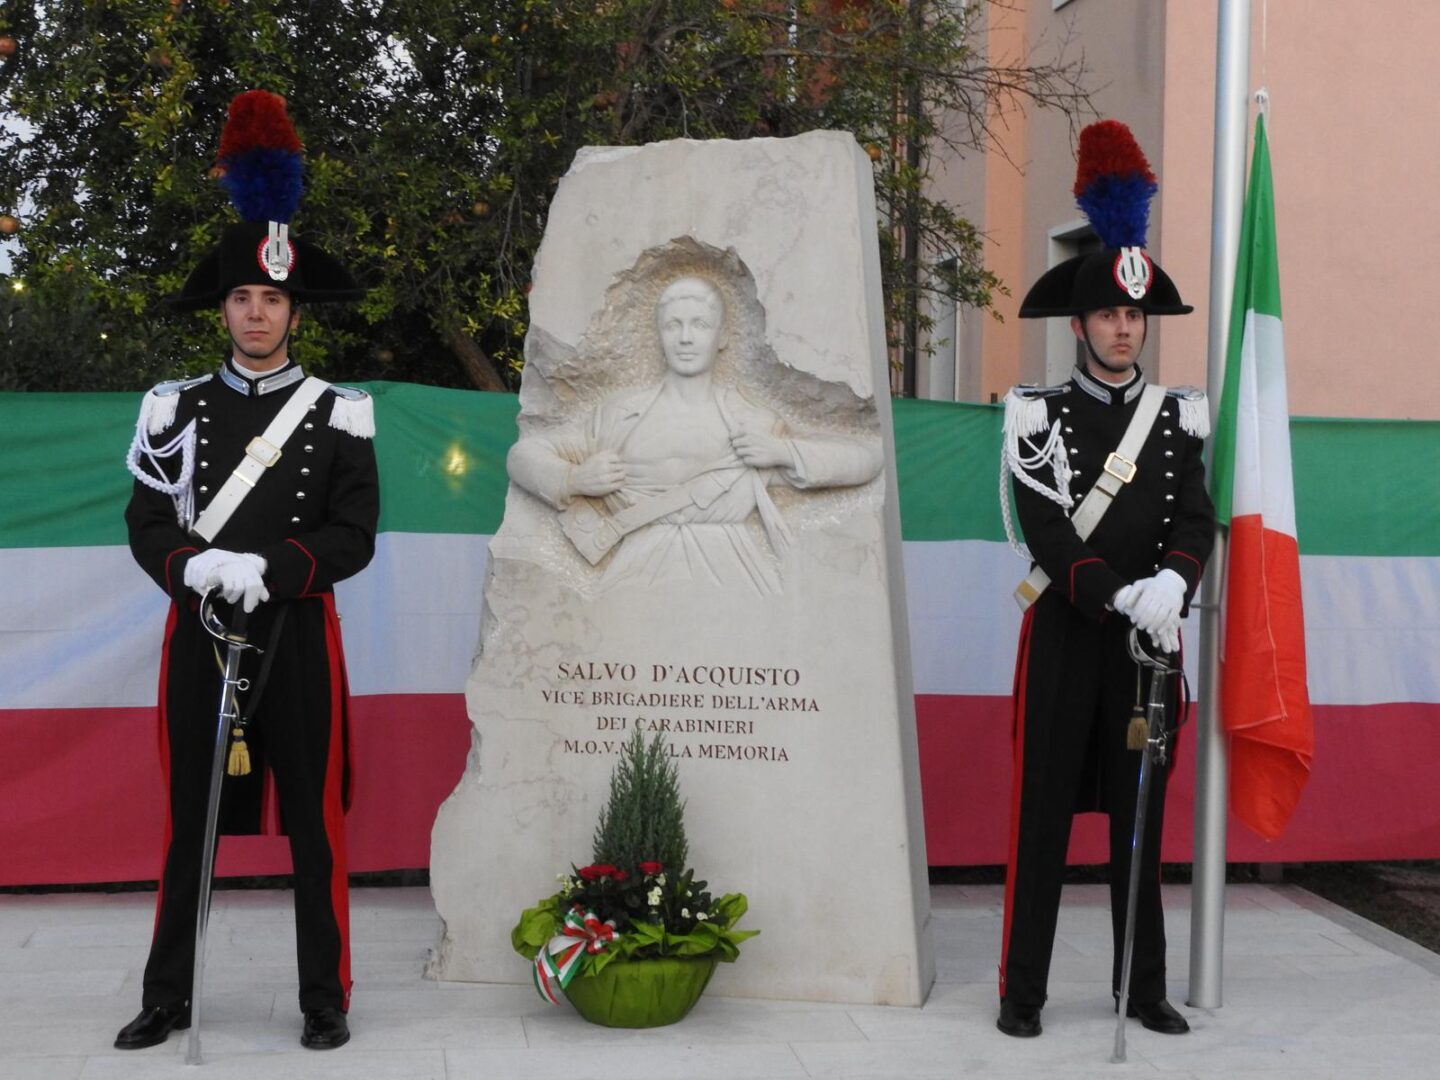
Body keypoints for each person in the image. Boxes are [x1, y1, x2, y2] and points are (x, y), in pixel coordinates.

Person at [114, 90, 377, 1053]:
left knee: (315, 820)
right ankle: (168, 996)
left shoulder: (338, 411)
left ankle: (325, 996)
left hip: (298, 632)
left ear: (292, 310)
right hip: (202, 635)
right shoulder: (170, 407)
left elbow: (355, 534)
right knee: (191, 821)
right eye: (242, 297)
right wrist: (196, 568)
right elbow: (146, 521)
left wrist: (273, 566)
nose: (256, 312)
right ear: (222, 307)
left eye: (272, 299)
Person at [995, 120, 1214, 1039]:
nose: (1125, 330)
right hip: (1068, 634)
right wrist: (1115, 590)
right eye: (1110, 316)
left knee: (1140, 820)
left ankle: (1144, 986)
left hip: (1147, 651)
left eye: (1135, 318)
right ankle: (1023, 994)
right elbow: (1041, 527)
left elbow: (1197, 515)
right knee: (1042, 815)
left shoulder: (1178, 419)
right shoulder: (1034, 418)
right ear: (1080, 324)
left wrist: (1172, 582)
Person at [507, 274, 882, 595]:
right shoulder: (618, 417)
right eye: (673, 325)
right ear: (659, 335)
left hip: (735, 575)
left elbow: (867, 459)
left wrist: (783, 452)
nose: (685, 338)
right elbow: (524, 455)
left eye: (700, 325)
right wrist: (572, 479)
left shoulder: (752, 421)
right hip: (633, 578)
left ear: (722, 337)